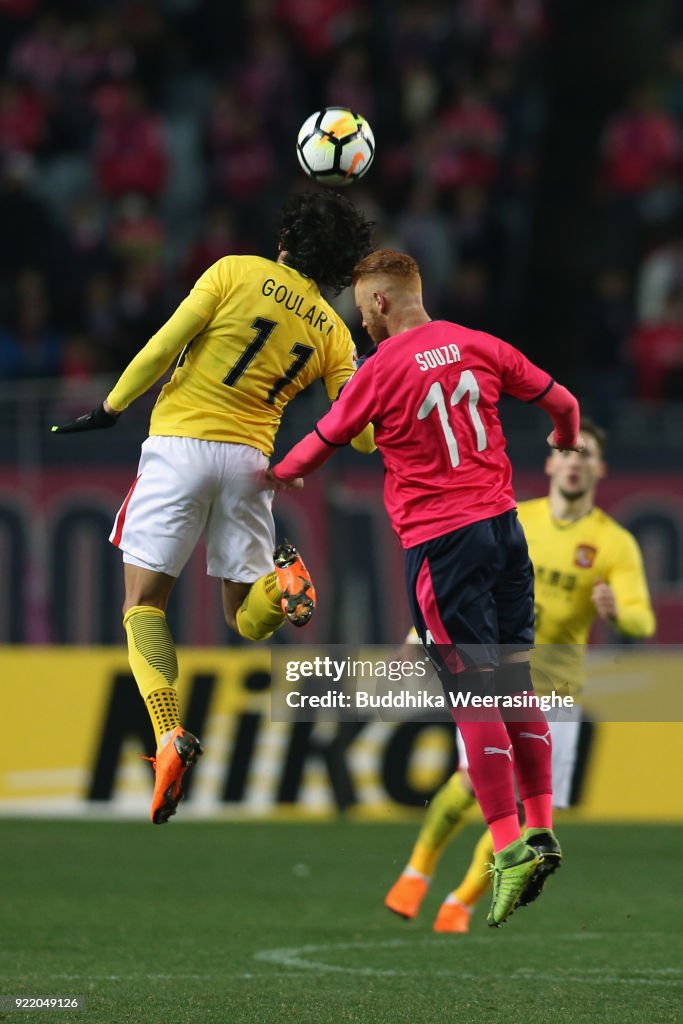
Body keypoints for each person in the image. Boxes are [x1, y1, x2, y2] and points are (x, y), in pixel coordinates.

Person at [268, 249, 582, 927]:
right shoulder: (477, 343)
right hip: (504, 532)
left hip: (442, 545)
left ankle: (505, 846)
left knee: (472, 696)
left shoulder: (380, 370)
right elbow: (563, 404)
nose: (363, 325)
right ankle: (539, 828)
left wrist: (276, 475)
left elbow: (320, 444)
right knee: (514, 685)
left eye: (362, 312)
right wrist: (562, 439)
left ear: (380, 302)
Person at [52, 190, 375, 825]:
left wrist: (111, 407)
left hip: (180, 447)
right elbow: (359, 434)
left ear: (287, 240)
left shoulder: (235, 271)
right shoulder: (334, 332)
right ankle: (282, 582)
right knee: (245, 619)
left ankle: (169, 732)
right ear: (338, 268)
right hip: (252, 465)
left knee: (143, 605)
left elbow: (163, 346)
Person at [385, 418, 656, 932]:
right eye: (568, 452)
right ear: (552, 462)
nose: (575, 461)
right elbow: (455, 581)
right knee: (470, 782)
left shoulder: (613, 543)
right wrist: (417, 635)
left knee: (523, 809)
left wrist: (617, 610)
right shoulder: (514, 519)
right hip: (491, 672)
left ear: (599, 469)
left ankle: (460, 901)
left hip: (554, 691)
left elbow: (642, 619)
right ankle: (416, 871)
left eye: (586, 454)